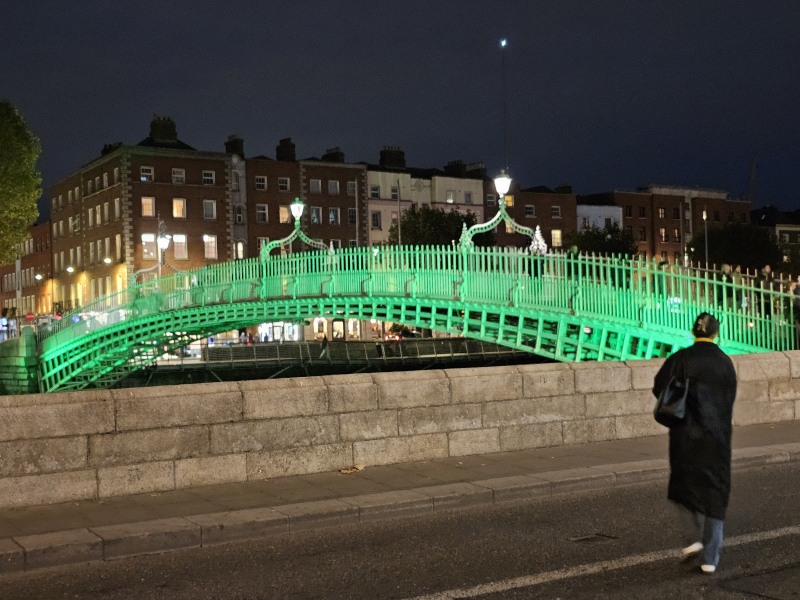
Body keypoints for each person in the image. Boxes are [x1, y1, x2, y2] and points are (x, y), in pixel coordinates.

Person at [652, 312, 737, 574]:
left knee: (683, 487)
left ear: (693, 332)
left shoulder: (681, 358)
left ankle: (692, 541)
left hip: (684, 435)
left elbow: (659, 387)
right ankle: (710, 558)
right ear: (716, 334)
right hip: (717, 438)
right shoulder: (725, 362)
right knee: (715, 494)